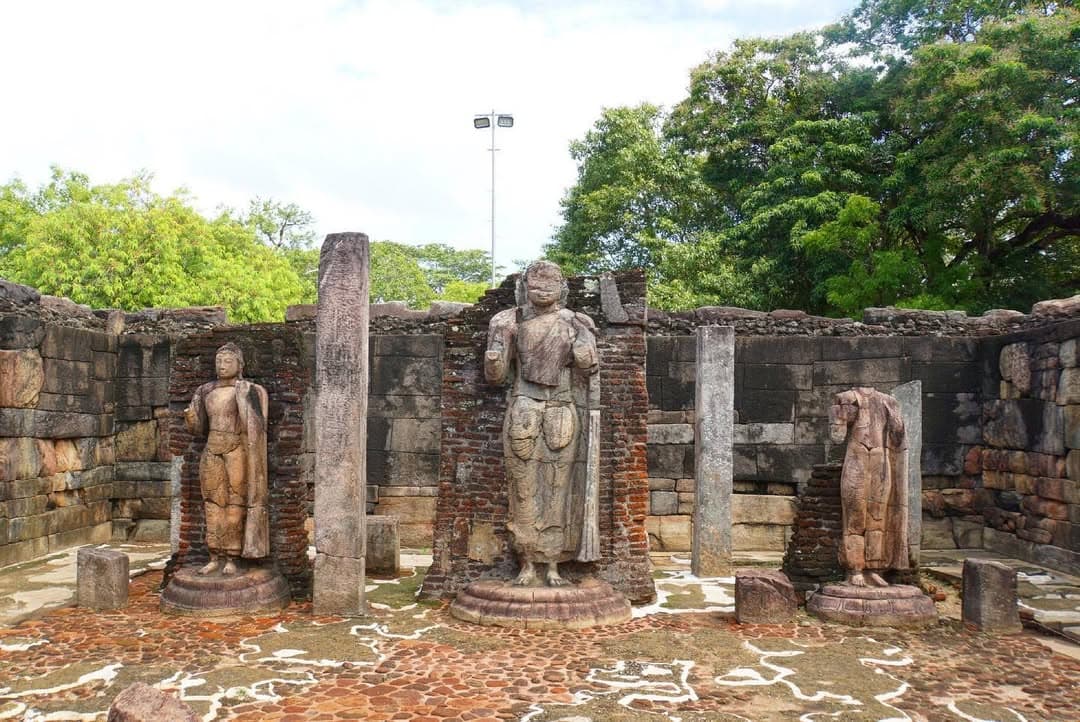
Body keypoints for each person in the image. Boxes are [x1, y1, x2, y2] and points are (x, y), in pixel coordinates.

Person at [485, 261, 599, 587]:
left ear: (562, 287)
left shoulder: (574, 322)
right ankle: (527, 562)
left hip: (562, 405)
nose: (542, 288)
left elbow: (589, 367)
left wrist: (583, 343)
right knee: (523, 488)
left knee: (558, 488)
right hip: (524, 402)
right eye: (535, 281)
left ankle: (552, 563)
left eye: (550, 281)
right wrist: (495, 355)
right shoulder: (508, 321)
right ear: (524, 286)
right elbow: (494, 376)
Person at [183, 343, 270, 576]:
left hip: (236, 450)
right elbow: (198, 429)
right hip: (212, 449)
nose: (222, 366)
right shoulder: (204, 391)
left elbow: (257, 427)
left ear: (239, 365)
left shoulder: (249, 390)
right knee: (211, 503)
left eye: (228, 361)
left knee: (235, 503)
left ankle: (232, 555)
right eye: (219, 361)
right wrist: (190, 418)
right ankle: (214, 555)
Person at [829, 387, 909, 587]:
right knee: (855, 515)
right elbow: (837, 436)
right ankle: (855, 568)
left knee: (878, 516)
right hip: (857, 458)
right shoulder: (847, 398)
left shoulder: (887, 402)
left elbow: (898, 438)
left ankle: (874, 567)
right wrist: (838, 414)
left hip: (881, 461)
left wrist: (896, 421)